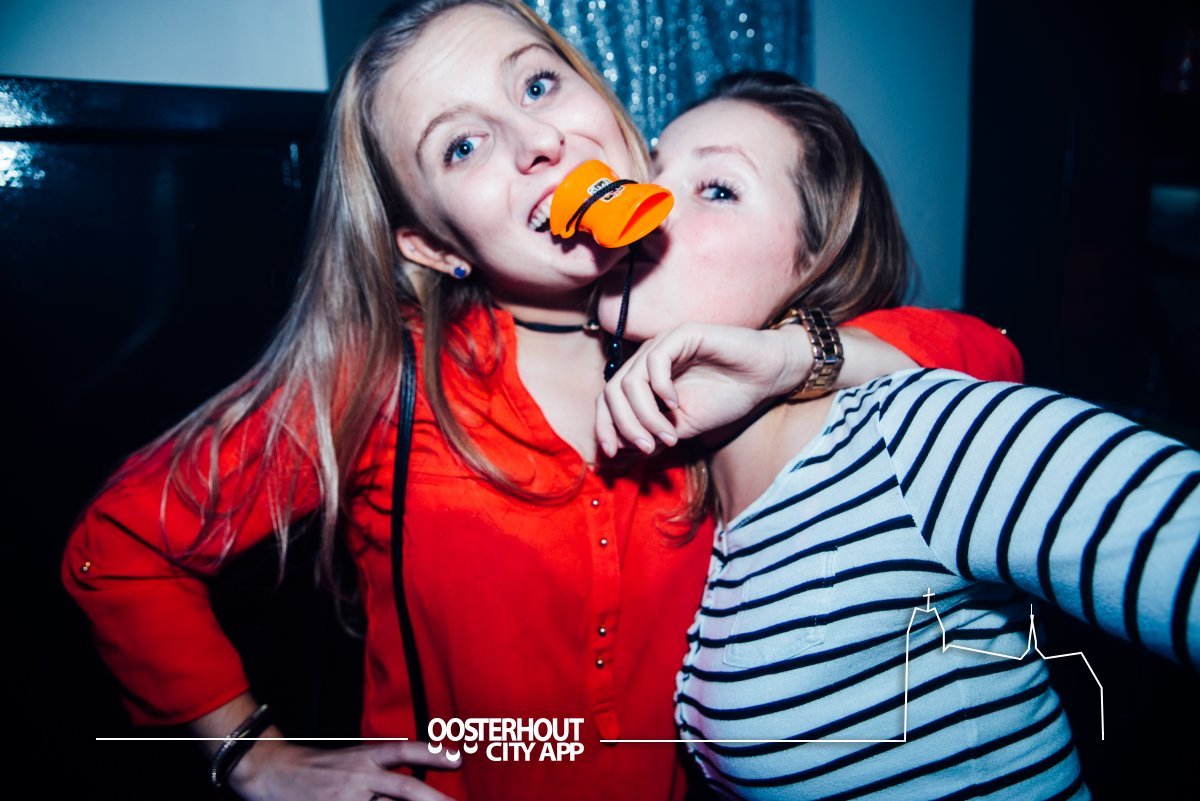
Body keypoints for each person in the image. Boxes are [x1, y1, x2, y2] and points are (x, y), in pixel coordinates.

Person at [61, 5, 1021, 801]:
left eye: (537, 86)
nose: (538, 143)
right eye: (463, 145)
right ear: (433, 245)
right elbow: (120, 547)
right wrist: (250, 753)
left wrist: (790, 355)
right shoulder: (385, 373)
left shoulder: (717, 330)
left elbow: (987, 360)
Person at [596, 71, 1199, 800]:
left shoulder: (908, 439)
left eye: (718, 188)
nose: (643, 204)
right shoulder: (698, 508)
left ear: (815, 263)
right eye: (649, 170)